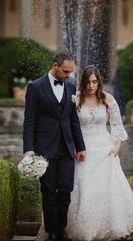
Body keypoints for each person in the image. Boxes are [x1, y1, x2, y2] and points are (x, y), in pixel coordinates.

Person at [66, 65, 133, 241]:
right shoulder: (75, 100)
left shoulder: (107, 99)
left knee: (108, 188)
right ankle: (83, 228)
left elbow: (117, 126)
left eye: (94, 81)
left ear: (99, 82)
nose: (91, 85)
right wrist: (75, 147)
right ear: (82, 82)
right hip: (83, 149)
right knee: (83, 187)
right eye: (88, 82)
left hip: (104, 149)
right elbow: (69, 126)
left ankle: (112, 226)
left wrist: (116, 147)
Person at [23, 50, 87, 241]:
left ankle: (61, 229)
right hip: (45, 148)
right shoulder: (35, 87)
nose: (68, 75)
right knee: (49, 191)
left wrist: (80, 146)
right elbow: (29, 121)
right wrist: (28, 148)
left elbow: (73, 120)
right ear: (55, 65)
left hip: (67, 148)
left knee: (66, 189)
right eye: (65, 72)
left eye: (71, 72)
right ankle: (52, 231)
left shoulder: (71, 87)